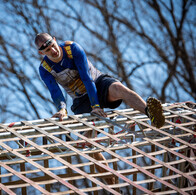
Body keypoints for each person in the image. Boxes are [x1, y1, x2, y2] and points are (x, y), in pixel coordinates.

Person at [35, 32, 165, 185]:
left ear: (55, 41)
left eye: (53, 46)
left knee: (118, 88)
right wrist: (62, 109)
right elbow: (55, 92)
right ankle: (112, 184)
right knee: (87, 142)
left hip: (97, 83)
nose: (54, 51)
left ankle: (151, 114)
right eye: (48, 51)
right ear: (42, 53)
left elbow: (86, 78)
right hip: (80, 99)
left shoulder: (72, 49)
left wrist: (96, 105)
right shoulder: (45, 68)